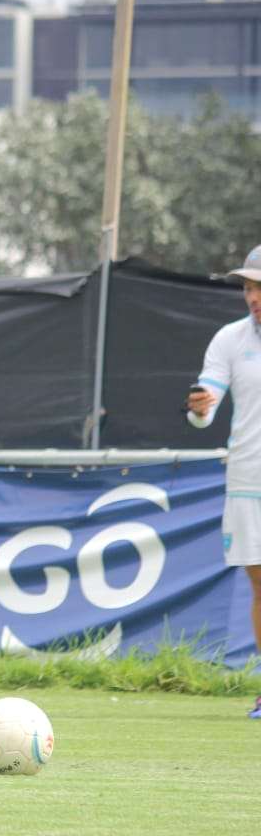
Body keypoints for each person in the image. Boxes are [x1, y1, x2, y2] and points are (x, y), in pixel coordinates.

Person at [186, 244, 261, 719]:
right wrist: (199, 409)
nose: (253, 295)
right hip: (249, 480)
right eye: (250, 286)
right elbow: (205, 402)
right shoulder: (230, 340)